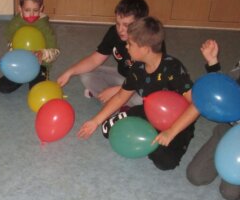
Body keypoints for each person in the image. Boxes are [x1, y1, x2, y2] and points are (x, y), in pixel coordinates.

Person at [77, 16, 199, 171]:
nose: (126, 47)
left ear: (145, 48)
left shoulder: (173, 68)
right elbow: (122, 95)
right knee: (108, 130)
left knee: (164, 162)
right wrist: (95, 120)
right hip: (148, 111)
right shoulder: (137, 68)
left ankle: (167, 134)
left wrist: (171, 131)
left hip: (177, 119)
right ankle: (135, 117)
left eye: (130, 44)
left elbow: (196, 105)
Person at [185, 39, 240, 200]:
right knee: (195, 175)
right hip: (228, 129)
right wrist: (212, 62)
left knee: (230, 193)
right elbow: (225, 91)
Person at [57, 0, 149, 105]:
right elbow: (95, 60)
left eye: (126, 25)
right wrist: (69, 72)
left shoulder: (149, 41)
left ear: (140, 24)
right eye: (118, 23)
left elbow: (148, 79)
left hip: (141, 84)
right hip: (122, 77)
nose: (120, 29)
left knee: (144, 99)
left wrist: (118, 90)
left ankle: (115, 100)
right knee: (86, 73)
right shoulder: (114, 33)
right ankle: (118, 102)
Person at [0, 0, 59, 94]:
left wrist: (42, 53)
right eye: (27, 10)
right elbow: (10, 41)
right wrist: (15, 55)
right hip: (20, 62)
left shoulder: (45, 27)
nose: (31, 14)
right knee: (3, 87)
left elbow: (55, 50)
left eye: (35, 11)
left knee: (37, 90)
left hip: (39, 65)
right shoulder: (15, 23)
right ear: (20, 9)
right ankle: (22, 77)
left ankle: (34, 79)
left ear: (41, 9)